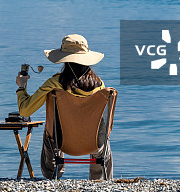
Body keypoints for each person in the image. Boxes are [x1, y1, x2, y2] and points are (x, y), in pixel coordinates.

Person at [15, 34, 112, 180]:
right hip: (93, 142)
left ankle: (53, 175)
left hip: (61, 141)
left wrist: (21, 87)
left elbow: (25, 110)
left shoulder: (55, 83)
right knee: (102, 134)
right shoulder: (100, 86)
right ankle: (101, 180)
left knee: (50, 130)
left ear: (64, 59)